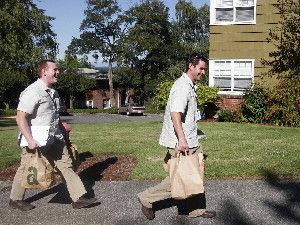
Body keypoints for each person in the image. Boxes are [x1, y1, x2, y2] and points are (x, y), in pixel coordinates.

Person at [9, 59, 97, 211]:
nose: (58, 72)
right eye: (55, 70)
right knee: (26, 168)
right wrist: (30, 140)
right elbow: (20, 117)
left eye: (58, 70)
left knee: (66, 165)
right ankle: (15, 199)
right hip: (36, 140)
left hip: (55, 138)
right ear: (44, 71)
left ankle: (78, 198)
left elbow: (52, 115)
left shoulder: (53, 92)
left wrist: (63, 128)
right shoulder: (33, 91)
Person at [137, 53, 216, 220]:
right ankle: (146, 198)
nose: (203, 72)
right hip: (182, 141)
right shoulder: (182, 87)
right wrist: (182, 139)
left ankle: (196, 210)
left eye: (204, 69)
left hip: (189, 139)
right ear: (191, 66)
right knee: (180, 177)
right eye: (201, 69)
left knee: (194, 174)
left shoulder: (189, 85)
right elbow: (175, 114)